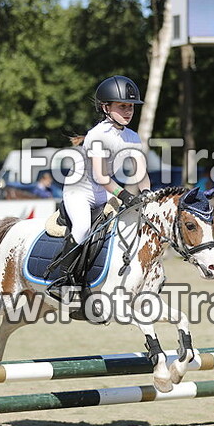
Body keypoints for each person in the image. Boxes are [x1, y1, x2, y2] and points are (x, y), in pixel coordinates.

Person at [48, 75, 151, 301]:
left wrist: (146, 193)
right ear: (106, 107)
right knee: (83, 228)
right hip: (79, 190)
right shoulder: (97, 135)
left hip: (103, 191)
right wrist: (125, 195)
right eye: (122, 106)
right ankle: (62, 281)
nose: (128, 111)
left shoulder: (133, 137)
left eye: (131, 107)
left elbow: (141, 173)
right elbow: (101, 176)